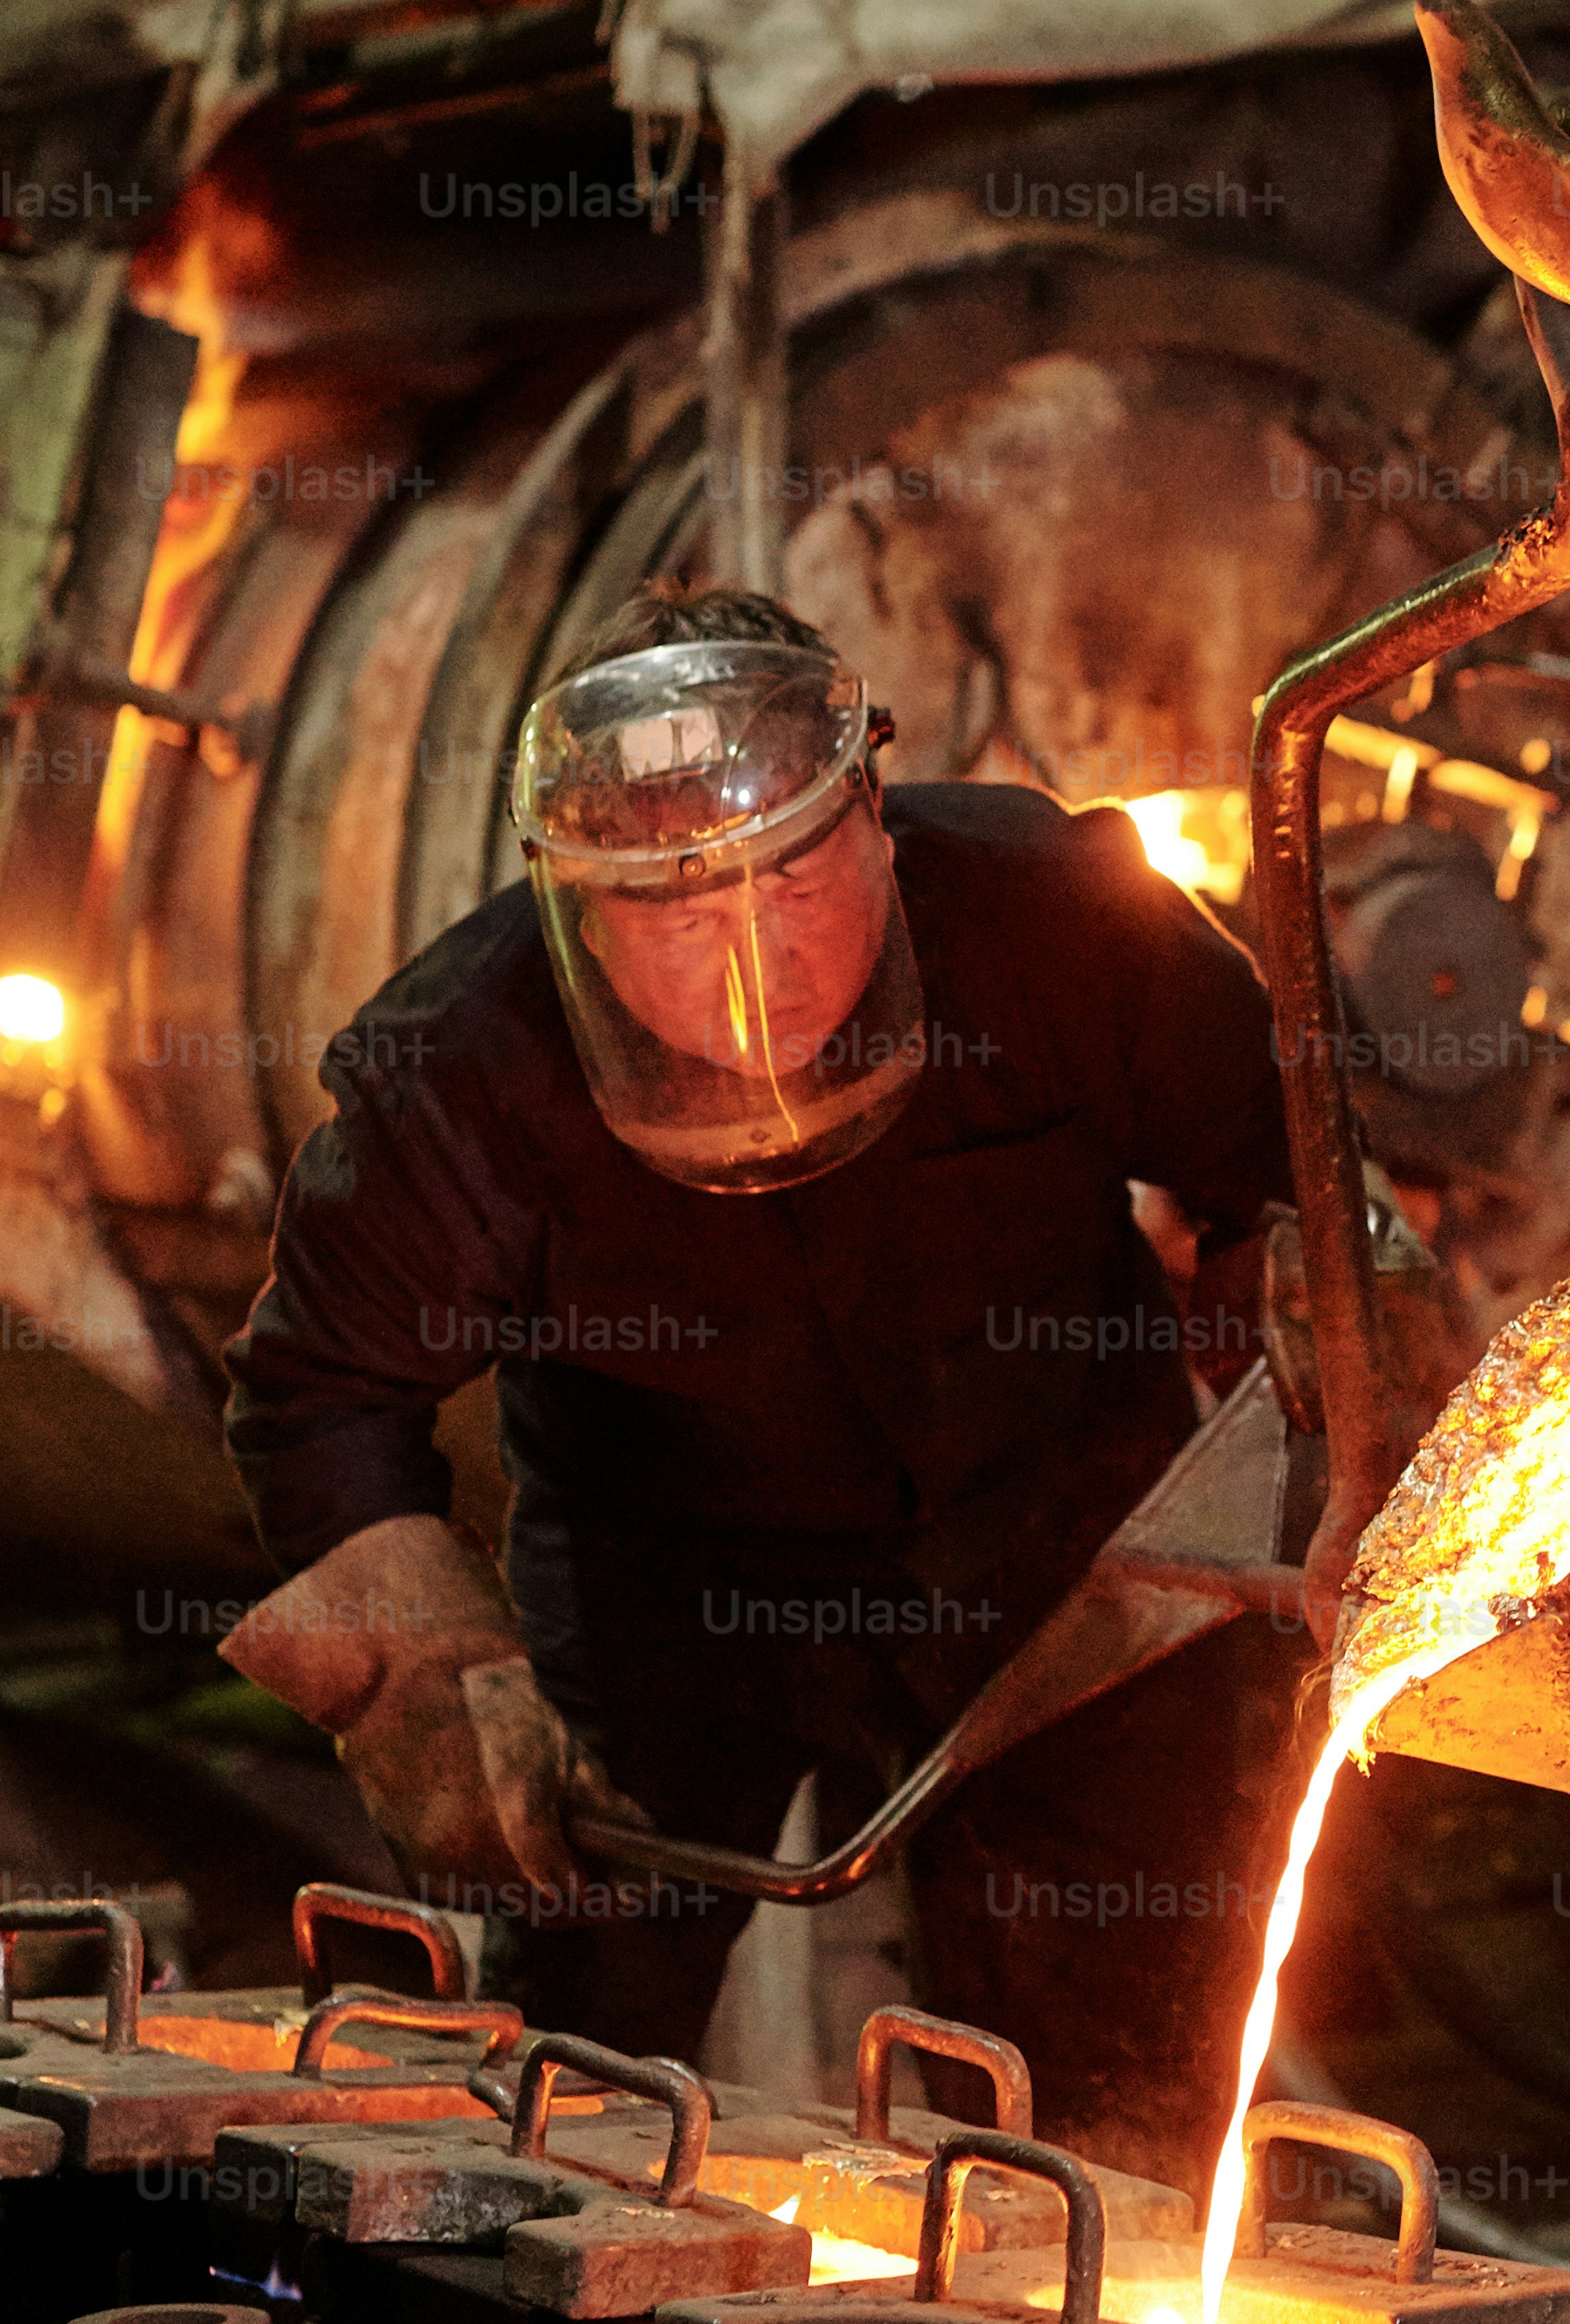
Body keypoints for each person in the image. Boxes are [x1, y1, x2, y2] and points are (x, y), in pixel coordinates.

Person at [218, 580, 1293, 2149]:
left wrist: (1294, 1344)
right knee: (581, 2057)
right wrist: (432, 1686)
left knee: (1107, 2089)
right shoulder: (458, 1074)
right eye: (669, 906)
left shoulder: (1065, 918)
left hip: (1071, 1557)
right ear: (573, 902)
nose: (749, 962)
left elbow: (1282, 1166)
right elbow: (319, 1400)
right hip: (668, 1589)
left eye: (791, 877)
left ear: (873, 813)